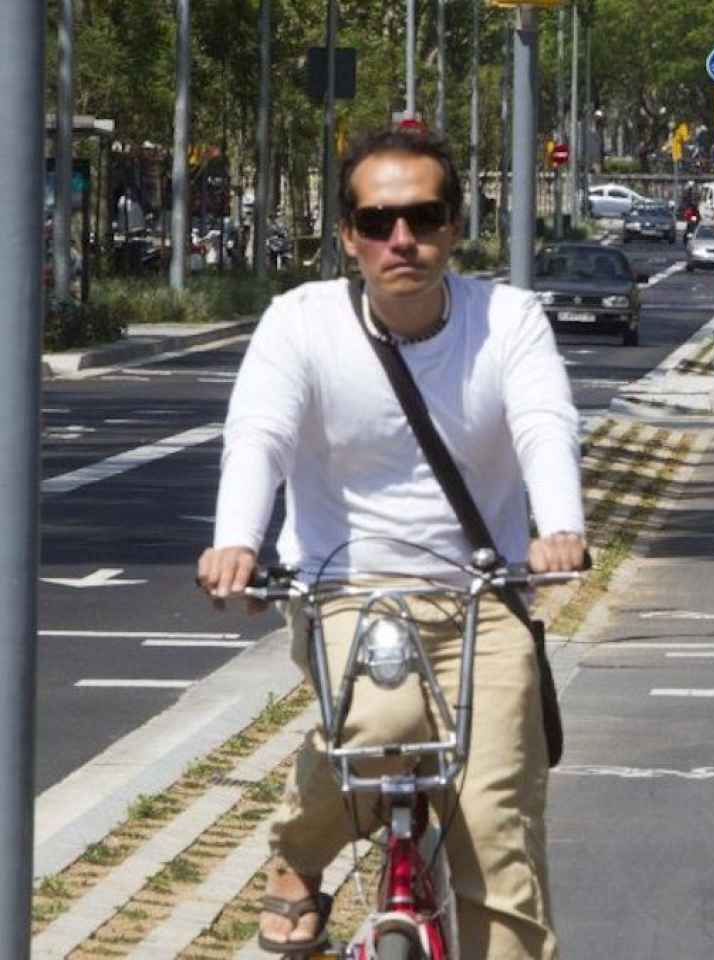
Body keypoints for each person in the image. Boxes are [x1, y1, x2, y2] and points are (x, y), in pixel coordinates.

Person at [196, 128, 587, 959]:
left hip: (486, 595)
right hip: (346, 591)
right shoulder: (299, 324)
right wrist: (236, 541)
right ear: (348, 236)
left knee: (494, 826)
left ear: (453, 226)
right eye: (377, 222)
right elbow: (258, 436)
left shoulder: (507, 320)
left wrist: (560, 527)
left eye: (422, 216)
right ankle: (299, 858)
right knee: (380, 723)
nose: (399, 240)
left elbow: (544, 423)